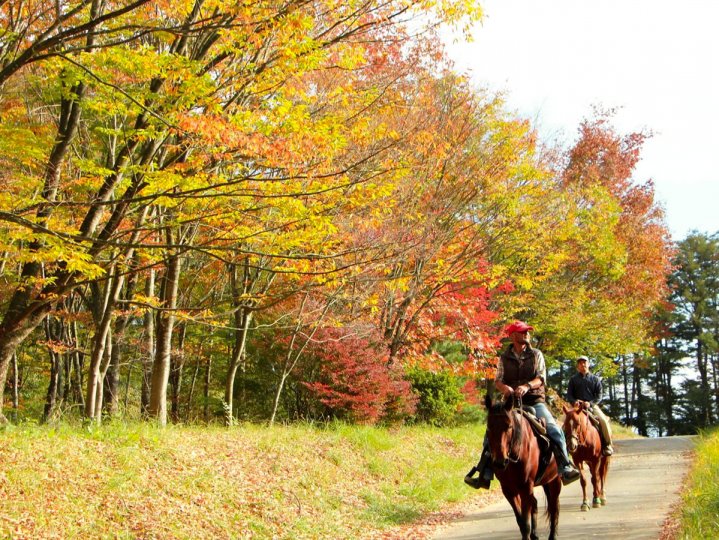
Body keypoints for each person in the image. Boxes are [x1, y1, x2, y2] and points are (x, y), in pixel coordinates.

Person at [465, 321, 580, 489]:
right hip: (510, 404)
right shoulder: (504, 358)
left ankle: (565, 467)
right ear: (513, 336)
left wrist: (526, 386)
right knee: (491, 433)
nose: (527, 334)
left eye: (527, 332)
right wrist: (506, 389)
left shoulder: (536, 354)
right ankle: (484, 473)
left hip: (534, 401)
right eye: (522, 332)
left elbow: (541, 378)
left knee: (554, 429)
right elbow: (498, 380)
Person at [566, 355, 614, 456]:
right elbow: (569, 395)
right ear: (577, 366)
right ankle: (564, 449)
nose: (582, 364)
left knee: (603, 421)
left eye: (584, 362)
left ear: (588, 364)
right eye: (580, 363)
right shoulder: (573, 379)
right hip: (577, 407)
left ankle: (607, 445)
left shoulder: (595, 379)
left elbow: (599, 395)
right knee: (565, 424)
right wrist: (574, 401)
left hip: (591, 406)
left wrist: (590, 403)